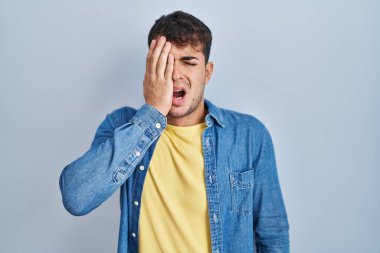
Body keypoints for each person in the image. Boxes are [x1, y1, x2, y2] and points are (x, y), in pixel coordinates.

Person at [59, 10, 290, 253]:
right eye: (165, 62)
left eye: (188, 62)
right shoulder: (122, 125)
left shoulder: (249, 135)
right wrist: (152, 113)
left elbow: (272, 235)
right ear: (150, 69)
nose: (175, 74)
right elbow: (76, 198)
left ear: (207, 73)